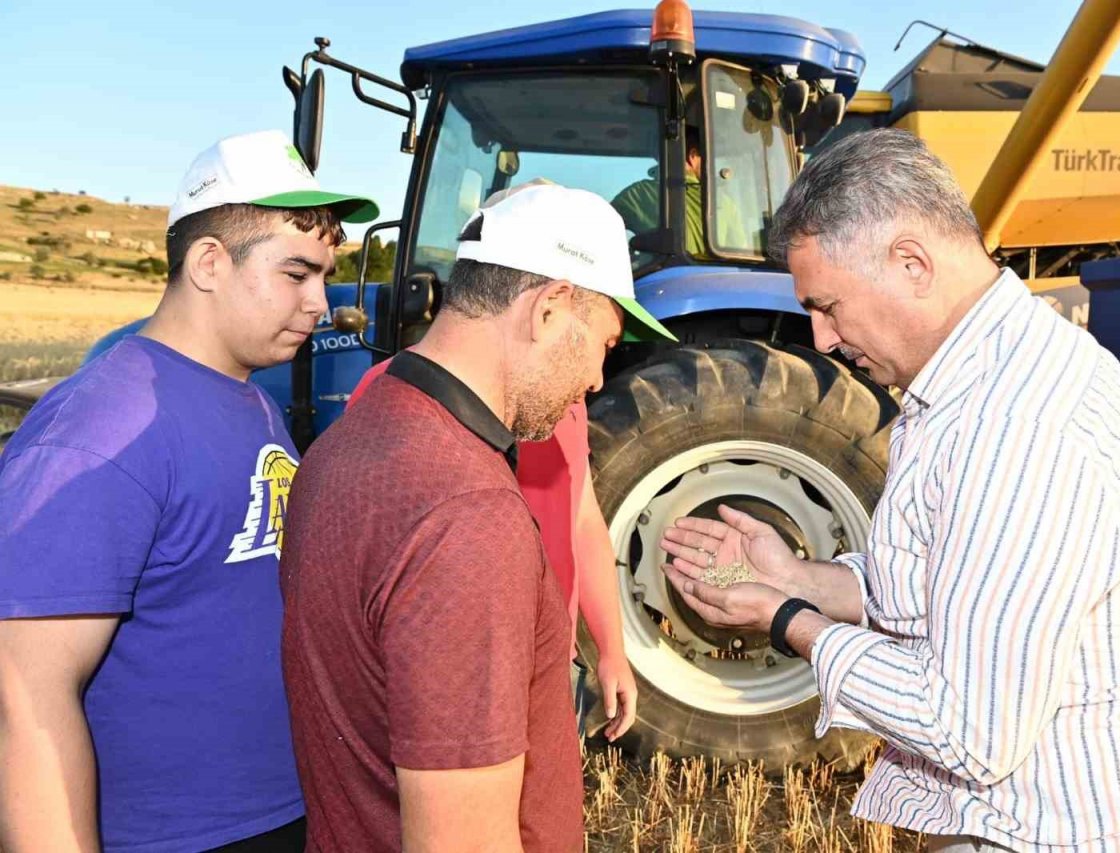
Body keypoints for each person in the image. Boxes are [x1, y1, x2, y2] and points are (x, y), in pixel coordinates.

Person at [660, 128, 1120, 851]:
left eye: (828, 305)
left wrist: (787, 619)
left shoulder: (1015, 429)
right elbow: (945, 583)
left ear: (912, 263)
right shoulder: (982, 379)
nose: (822, 337)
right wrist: (797, 576)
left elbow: (968, 729)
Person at [0, 129, 377, 852]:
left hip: (279, 809)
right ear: (209, 263)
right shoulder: (102, 431)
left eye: (325, 276)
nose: (321, 303)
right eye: (297, 273)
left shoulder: (252, 398)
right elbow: (26, 694)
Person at [280, 184, 675, 852]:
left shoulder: (346, 443)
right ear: (549, 308)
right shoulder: (469, 516)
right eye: (603, 344)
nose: (596, 379)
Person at [611, 126, 746, 257]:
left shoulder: (638, 194)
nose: (711, 167)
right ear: (693, 156)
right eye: (709, 159)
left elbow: (602, 225)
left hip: (663, 272)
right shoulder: (725, 203)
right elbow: (738, 254)